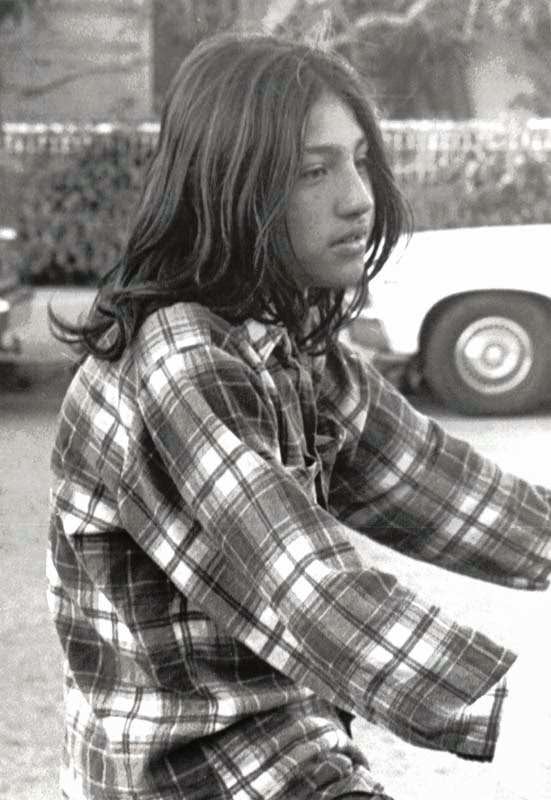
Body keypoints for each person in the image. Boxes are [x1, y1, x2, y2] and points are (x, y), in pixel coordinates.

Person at [47, 32, 551, 800]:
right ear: (229, 186)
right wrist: (519, 710)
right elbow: (309, 592)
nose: (358, 196)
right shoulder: (184, 358)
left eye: (357, 159)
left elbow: (448, 490)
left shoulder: (286, 342)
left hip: (287, 751)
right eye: (314, 171)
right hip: (190, 775)